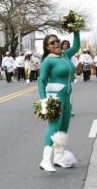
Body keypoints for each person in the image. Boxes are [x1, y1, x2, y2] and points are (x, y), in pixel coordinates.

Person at [38, 31, 80, 172]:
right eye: (52, 42)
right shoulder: (48, 60)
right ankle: (45, 160)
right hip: (54, 97)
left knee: (63, 127)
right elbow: (41, 81)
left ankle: (58, 157)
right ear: (47, 47)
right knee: (53, 127)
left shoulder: (65, 55)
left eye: (57, 41)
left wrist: (76, 29)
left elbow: (76, 46)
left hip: (67, 96)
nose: (56, 43)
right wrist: (44, 100)